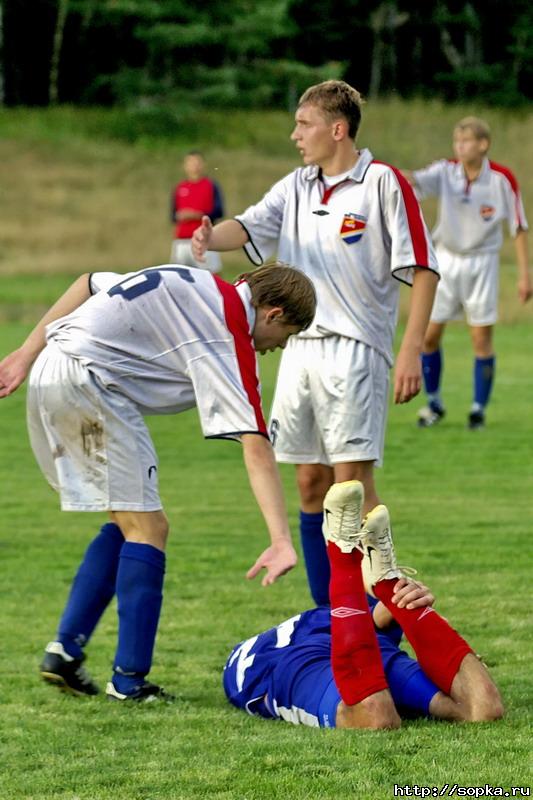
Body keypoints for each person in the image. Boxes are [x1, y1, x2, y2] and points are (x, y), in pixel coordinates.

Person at [0, 262, 316, 702]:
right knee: (150, 529)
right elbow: (255, 442)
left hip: (57, 369)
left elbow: (88, 282)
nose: (276, 348)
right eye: (286, 336)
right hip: (89, 382)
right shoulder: (228, 332)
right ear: (273, 314)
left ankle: (64, 654)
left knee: (129, 522)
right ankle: (129, 680)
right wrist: (281, 539)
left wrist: (25, 353)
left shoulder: (198, 281)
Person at [192, 79, 439, 615]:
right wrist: (211, 237)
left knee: (351, 489)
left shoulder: (383, 183)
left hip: (356, 349)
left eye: (303, 125)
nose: (294, 135)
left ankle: (382, 616)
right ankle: (329, 615)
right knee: (309, 483)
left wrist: (411, 351)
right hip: (299, 350)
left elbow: (423, 270)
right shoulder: (298, 185)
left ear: (338, 128)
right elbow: (251, 225)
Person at [224, 481, 503, 729]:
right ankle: (343, 552)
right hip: (284, 661)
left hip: (341, 633)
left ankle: (383, 576)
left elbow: (375, 620)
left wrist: (409, 604)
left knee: (485, 709)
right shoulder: (262, 667)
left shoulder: (349, 624)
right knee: (375, 716)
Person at [402, 116, 531, 430]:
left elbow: (518, 227)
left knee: (480, 338)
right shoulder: (446, 171)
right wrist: (386, 173)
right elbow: (414, 180)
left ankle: (477, 410)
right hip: (446, 260)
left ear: (483, 145)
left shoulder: (501, 179)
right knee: (430, 336)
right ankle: (433, 404)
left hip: (482, 263)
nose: (459, 147)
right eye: (456, 141)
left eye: (466, 141)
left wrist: (525, 274)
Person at [170, 150, 224, 273]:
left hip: (203, 240)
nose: (194, 166)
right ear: (185, 166)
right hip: (182, 241)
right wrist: (180, 215)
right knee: (180, 278)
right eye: (191, 163)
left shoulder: (211, 186)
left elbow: (219, 212)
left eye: (197, 162)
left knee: (211, 278)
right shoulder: (180, 188)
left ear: (203, 164)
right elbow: (173, 215)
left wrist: (196, 215)